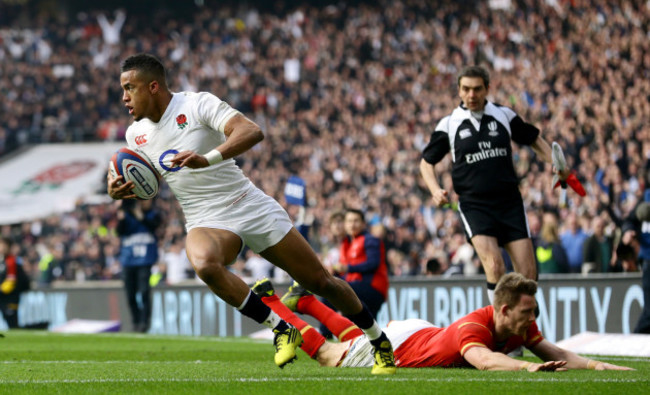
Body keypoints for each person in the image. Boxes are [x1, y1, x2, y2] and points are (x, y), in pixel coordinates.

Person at [107, 53, 395, 373]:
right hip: (205, 218)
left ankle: (378, 340)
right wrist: (117, 188)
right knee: (204, 264)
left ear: (153, 86)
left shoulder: (196, 104)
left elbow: (251, 131)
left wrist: (208, 158)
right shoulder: (135, 135)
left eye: (129, 88)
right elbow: (147, 178)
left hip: (248, 204)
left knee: (321, 282)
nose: (124, 97)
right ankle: (282, 328)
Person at [252, 273, 633, 372]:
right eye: (527, 311)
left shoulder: (517, 327)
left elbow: (556, 352)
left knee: (354, 341)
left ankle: (303, 300)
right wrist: (526, 369)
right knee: (330, 355)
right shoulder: (474, 328)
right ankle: (268, 303)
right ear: (503, 310)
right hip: (403, 346)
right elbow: (483, 360)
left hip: (418, 331)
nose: (532, 319)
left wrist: (600, 365)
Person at [419, 65, 570, 304]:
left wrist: (556, 163)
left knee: (529, 275)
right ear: (458, 90)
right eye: (466, 89)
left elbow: (534, 140)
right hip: (475, 205)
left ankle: (523, 325)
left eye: (477, 89)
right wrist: (435, 190)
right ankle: (500, 329)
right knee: (494, 266)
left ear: (487, 88)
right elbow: (426, 163)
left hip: (509, 203)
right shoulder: (449, 124)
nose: (472, 95)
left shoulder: (504, 115)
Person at [116, 199, 162, 333]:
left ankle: (144, 323)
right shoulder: (126, 217)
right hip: (128, 261)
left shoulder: (153, 215)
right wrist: (122, 217)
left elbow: (154, 226)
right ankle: (135, 321)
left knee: (144, 292)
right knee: (130, 294)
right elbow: (119, 232)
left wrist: (139, 214)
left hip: (145, 261)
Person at [0, 237, 30, 328]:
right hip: (2, 297)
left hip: (10, 298)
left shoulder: (13, 262)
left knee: (12, 322)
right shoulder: (3, 261)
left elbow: (22, 281)